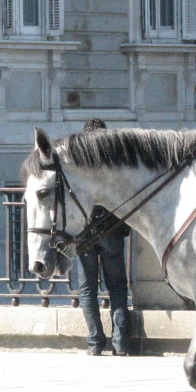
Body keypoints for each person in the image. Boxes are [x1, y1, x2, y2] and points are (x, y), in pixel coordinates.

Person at [77, 118, 131, 356]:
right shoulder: (115, 162)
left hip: (84, 234)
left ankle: (95, 343)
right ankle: (120, 344)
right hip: (111, 231)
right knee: (117, 287)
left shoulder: (77, 163)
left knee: (87, 289)